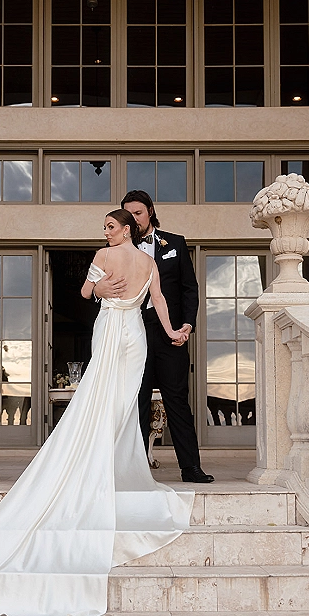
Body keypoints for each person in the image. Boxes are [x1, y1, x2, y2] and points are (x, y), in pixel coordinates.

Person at [0, 209, 194, 616]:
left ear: (125, 230)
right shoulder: (145, 260)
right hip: (132, 333)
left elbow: (90, 295)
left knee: (113, 402)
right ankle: (104, 464)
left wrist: (101, 288)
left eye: (110, 226)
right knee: (112, 401)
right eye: (104, 227)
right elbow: (152, 301)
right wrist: (171, 330)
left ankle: (102, 465)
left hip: (115, 329)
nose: (105, 232)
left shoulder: (112, 256)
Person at [94, 190, 214, 484]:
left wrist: (186, 324)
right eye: (128, 214)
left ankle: (191, 467)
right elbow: (96, 286)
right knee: (134, 397)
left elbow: (189, 289)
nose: (133, 219)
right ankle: (133, 469)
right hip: (130, 328)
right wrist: (99, 291)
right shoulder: (112, 248)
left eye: (138, 213)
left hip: (168, 331)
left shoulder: (175, 243)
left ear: (150, 212)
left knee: (177, 399)